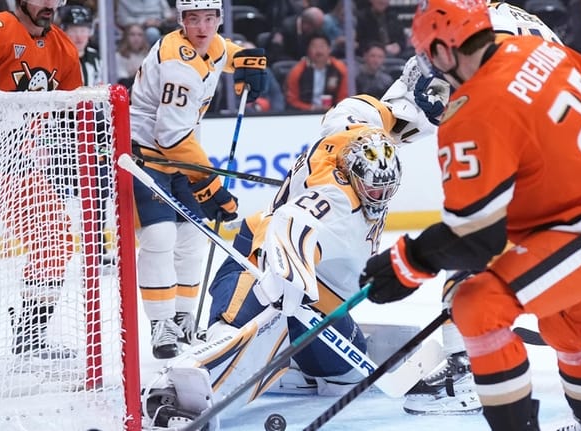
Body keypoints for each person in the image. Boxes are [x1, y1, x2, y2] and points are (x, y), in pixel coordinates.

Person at [358, 2, 581, 431]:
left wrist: (406, 262)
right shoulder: (536, 46)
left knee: (474, 300)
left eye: (430, 55)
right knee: (564, 315)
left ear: (443, 49)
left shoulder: (470, 114)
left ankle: (479, 376)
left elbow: (474, 235)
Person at [141, 126, 403, 427]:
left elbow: (359, 116)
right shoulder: (338, 200)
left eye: (386, 189)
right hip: (258, 260)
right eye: (372, 189)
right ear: (353, 176)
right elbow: (292, 224)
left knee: (346, 376)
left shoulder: (352, 140)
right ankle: (175, 387)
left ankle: (283, 355)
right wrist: (293, 276)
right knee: (245, 330)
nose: (379, 196)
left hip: (309, 292)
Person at [129, 0, 266, 359]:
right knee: (159, 237)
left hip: (179, 159)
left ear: (220, 19)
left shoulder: (213, 43)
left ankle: (184, 318)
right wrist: (210, 186)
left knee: (192, 238)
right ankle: (161, 325)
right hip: (147, 157)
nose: (203, 27)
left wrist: (246, 60)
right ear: (181, 22)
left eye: (210, 18)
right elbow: (170, 137)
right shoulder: (178, 64)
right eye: (193, 19)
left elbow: (223, 51)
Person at [0, 0, 83, 360]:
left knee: (55, 236)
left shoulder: (63, 48)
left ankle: (31, 334)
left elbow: (74, 110)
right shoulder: (2, 28)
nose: (49, 4)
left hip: (16, 165)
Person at [284, 33, 348, 112]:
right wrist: (311, 108)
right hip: (304, 113)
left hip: (333, 113)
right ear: (308, 50)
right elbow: (292, 100)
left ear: (329, 49)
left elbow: (344, 97)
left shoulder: (340, 69)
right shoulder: (297, 71)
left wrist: (333, 109)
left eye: (322, 46)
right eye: (314, 46)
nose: (319, 51)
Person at [59, 4, 101, 86]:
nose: (79, 36)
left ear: (90, 32)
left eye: (83, 30)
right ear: (64, 32)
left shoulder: (95, 57)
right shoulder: (57, 57)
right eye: (73, 30)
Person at [115, 23, 150, 89]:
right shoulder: (119, 56)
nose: (136, 38)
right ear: (126, 37)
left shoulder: (149, 56)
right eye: (132, 34)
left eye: (140, 35)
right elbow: (122, 81)